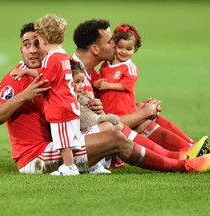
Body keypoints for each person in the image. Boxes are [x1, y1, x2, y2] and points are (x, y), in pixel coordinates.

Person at [0, 20, 210, 175]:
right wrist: (26, 95)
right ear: (21, 49)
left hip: (59, 143)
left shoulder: (53, 69)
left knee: (109, 127)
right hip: (36, 157)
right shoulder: (15, 79)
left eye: (38, 43)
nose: (33, 50)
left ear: (46, 44)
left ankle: (180, 155)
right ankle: (182, 166)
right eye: (27, 45)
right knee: (115, 138)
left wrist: (89, 105)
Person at [71, 19, 209, 168]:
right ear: (95, 49)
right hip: (81, 147)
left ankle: (194, 150)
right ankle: (183, 159)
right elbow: (96, 124)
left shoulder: (90, 73)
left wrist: (137, 106)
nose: (115, 44)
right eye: (110, 41)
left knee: (142, 111)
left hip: (96, 132)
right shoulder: (72, 77)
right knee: (140, 118)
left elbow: (106, 110)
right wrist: (143, 113)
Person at [92, 24, 201, 153]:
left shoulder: (129, 67)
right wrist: (96, 84)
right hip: (110, 112)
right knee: (141, 124)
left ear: (135, 49)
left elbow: (127, 85)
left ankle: (189, 147)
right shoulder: (105, 64)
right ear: (114, 45)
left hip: (125, 112)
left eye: (129, 49)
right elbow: (98, 85)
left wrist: (106, 85)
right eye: (120, 47)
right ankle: (187, 150)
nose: (123, 51)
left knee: (145, 123)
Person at [9, 14, 82, 175]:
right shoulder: (63, 55)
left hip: (60, 108)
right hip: (70, 104)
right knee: (75, 139)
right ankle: (93, 165)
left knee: (63, 141)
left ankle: (69, 167)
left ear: (43, 40)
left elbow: (45, 79)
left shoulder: (51, 58)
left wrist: (25, 71)